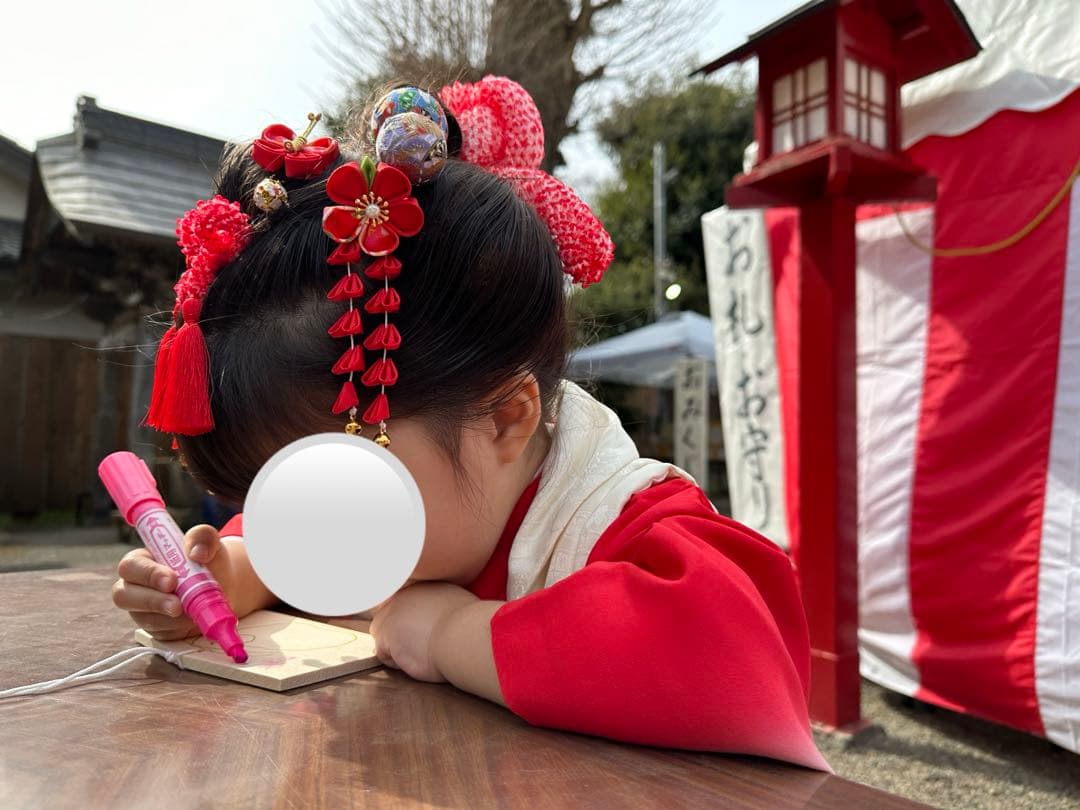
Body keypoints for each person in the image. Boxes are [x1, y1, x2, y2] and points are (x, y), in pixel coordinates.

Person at [110, 77, 829, 771]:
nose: (313, 526)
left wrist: (455, 634)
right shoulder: (411, 514)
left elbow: (735, 656)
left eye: (344, 489)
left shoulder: (619, 522)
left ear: (505, 420)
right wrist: (228, 576)